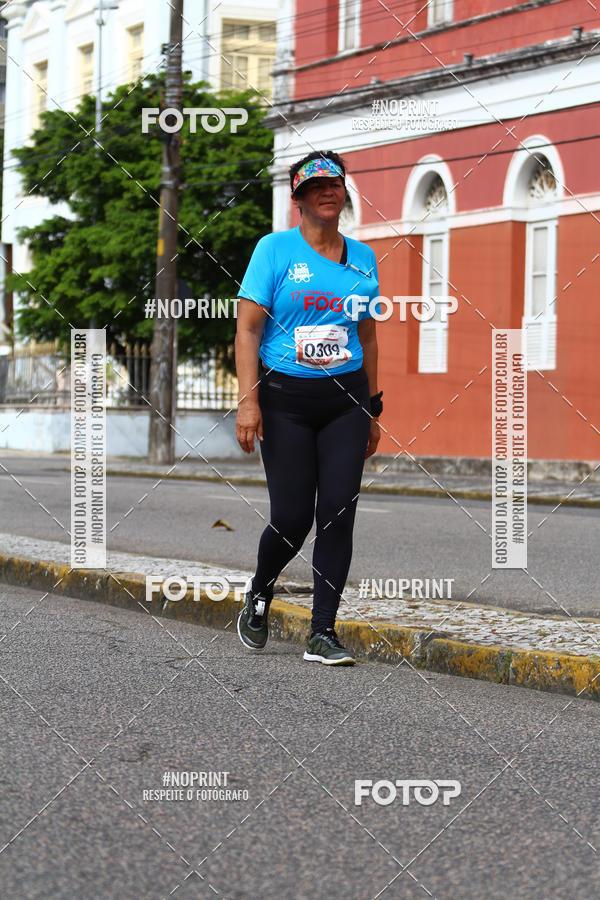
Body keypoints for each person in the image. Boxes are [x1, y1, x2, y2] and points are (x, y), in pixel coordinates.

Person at [234, 150, 383, 665]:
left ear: (344, 192)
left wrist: (373, 407)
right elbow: (248, 328)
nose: (328, 192)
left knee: (338, 513)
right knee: (293, 518)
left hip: (345, 399)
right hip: (285, 402)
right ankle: (260, 589)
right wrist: (248, 402)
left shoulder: (363, 257)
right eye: (315, 185)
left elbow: (367, 334)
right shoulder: (273, 251)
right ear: (297, 197)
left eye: (335, 184)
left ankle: (323, 632)